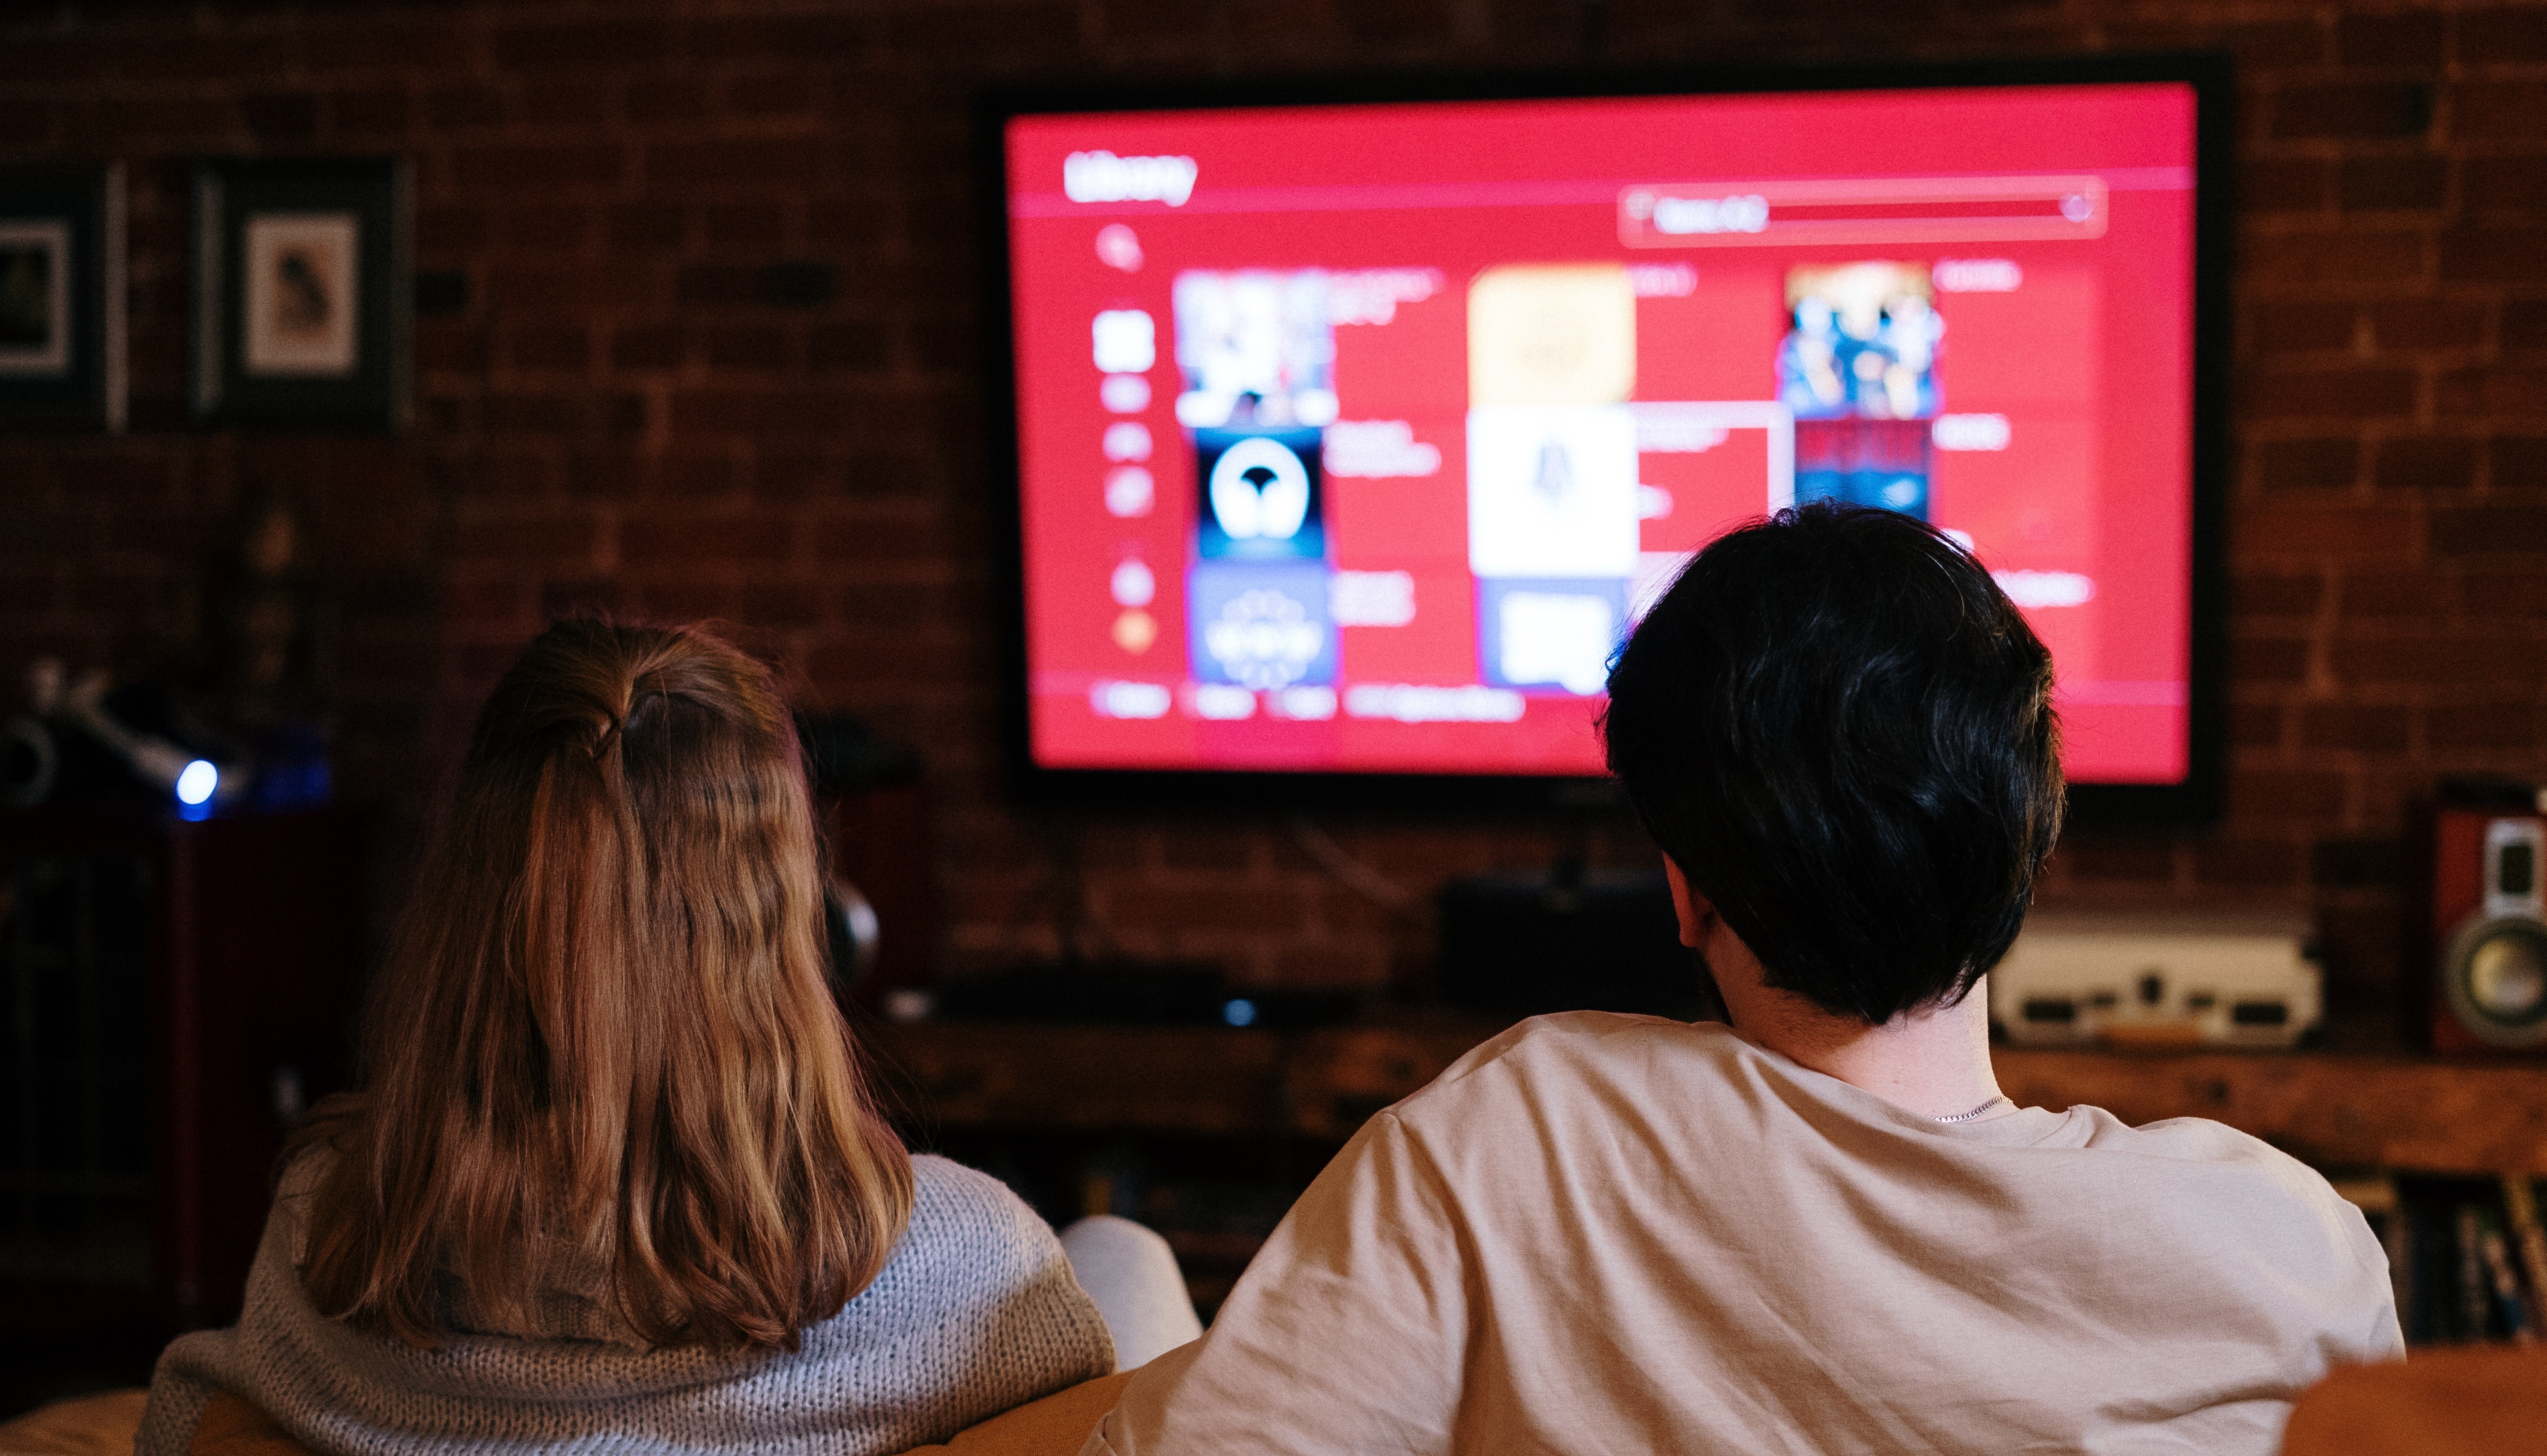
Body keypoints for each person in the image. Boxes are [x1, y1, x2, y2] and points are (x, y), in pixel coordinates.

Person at [1082, 504, 2401, 1455]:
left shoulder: (1519, 1136)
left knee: (1113, 1261)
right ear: (2030, 838)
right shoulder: (2295, 1252)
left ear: (1687, 888)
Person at [138, 621, 1153, 1456]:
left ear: (465, 911)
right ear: (789, 923)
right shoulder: (954, 1259)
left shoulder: (331, 1224)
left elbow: (201, 1412)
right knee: (1124, 1251)